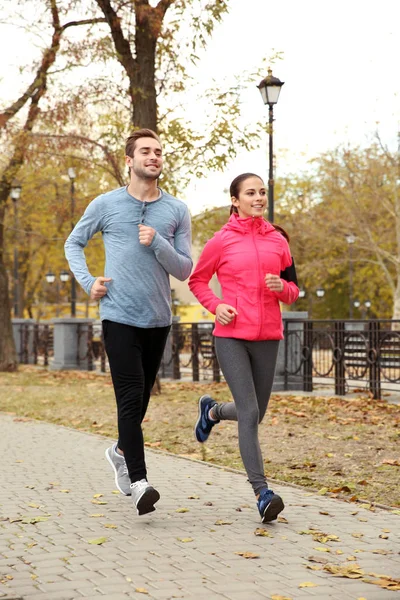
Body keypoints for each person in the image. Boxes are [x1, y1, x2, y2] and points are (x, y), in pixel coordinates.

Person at [65, 129, 192, 515]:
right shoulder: (106, 204)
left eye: (158, 152)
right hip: (118, 315)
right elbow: (73, 243)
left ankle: (120, 451)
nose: (153, 157)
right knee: (129, 396)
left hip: (157, 319)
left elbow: (184, 269)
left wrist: (156, 241)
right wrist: (88, 282)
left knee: (139, 403)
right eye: (146, 152)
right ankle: (139, 482)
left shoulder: (177, 210)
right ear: (129, 160)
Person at [189, 173, 299, 523]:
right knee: (250, 414)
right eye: (250, 193)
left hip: (267, 336)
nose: (259, 197)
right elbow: (197, 281)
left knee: (255, 412)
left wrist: (280, 286)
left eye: (262, 192)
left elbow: (294, 289)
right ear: (235, 200)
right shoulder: (221, 241)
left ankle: (213, 412)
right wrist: (216, 305)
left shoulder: (278, 240)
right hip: (231, 335)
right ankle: (262, 493)